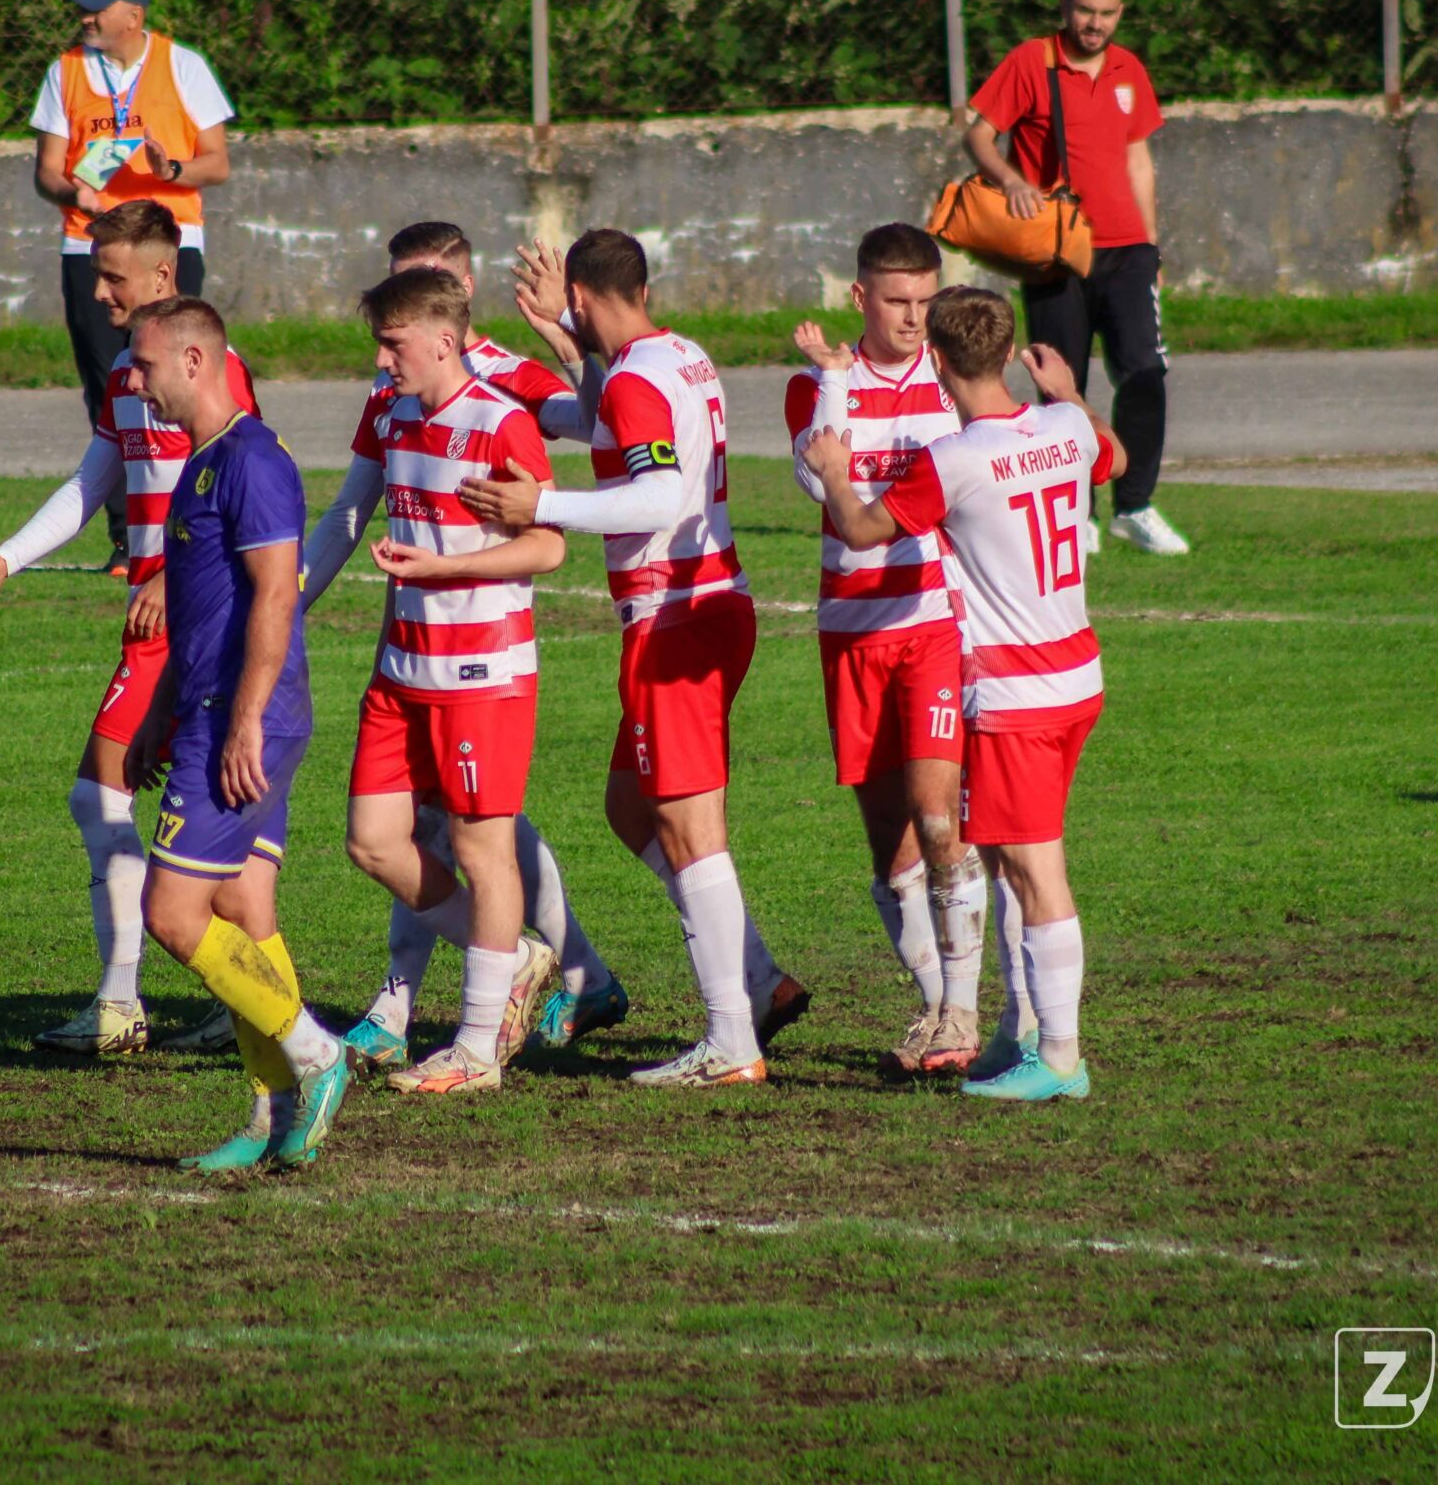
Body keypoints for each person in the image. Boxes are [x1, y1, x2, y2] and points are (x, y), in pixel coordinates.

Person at [461, 230, 804, 1088]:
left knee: (690, 829)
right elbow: (601, 417)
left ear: (581, 294)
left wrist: (541, 503)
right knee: (630, 806)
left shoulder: (638, 377)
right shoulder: (676, 355)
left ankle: (732, 1039)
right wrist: (556, 339)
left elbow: (654, 493)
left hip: (674, 615)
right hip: (714, 603)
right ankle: (758, 978)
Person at [301, 223, 629, 1069]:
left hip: (479, 670)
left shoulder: (503, 408)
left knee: (486, 846)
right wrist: (282, 604)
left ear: (448, 318)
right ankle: (510, 959)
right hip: (401, 668)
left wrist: (567, 337)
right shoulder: (390, 409)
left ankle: (473, 1039)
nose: (381, 361)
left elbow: (550, 538)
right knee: (375, 840)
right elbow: (347, 514)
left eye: (393, 342)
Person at [0, 202, 259, 1059]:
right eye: (96, 275)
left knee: (109, 795)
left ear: (164, 275)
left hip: (192, 619)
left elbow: (246, 478)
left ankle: (129, 1002)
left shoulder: (212, 368)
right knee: (199, 816)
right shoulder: (127, 373)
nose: (99, 292)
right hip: (155, 617)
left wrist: (169, 573)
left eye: (113, 276)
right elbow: (93, 482)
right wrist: (6, 559)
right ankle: (225, 999)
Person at [802, 288, 1123, 1102]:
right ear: (1010, 351)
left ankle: (1060, 1057)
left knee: (1035, 868)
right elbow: (1111, 457)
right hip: (1077, 675)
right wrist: (1069, 392)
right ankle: (1019, 1034)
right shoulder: (1066, 425)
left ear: (937, 360)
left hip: (1018, 693)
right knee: (1010, 859)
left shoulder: (954, 460)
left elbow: (861, 528)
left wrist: (835, 473)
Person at [121, 294, 350, 1167]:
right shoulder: (201, 465)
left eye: (144, 365)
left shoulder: (252, 460)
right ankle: (270, 1111)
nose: (134, 383)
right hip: (214, 713)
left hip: (240, 720)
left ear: (193, 360)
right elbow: (202, 610)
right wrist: (158, 709)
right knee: (245, 910)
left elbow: (277, 594)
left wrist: (243, 718)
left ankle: (315, 1053)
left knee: (173, 914)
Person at [783, 224, 1003, 1076]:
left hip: (932, 626)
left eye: (926, 300)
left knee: (940, 819)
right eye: (897, 300)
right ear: (860, 297)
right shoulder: (815, 388)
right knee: (892, 846)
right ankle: (938, 1006)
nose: (914, 317)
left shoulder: (951, 382)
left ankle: (963, 1015)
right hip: (851, 631)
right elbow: (819, 481)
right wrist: (836, 379)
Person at [962, 0, 1187, 558]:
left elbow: (1138, 159)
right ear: (1066, 9)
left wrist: (1151, 245)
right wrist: (1011, 180)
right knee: (1062, 382)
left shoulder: (1128, 69)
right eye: (1086, 10)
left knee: (1145, 371)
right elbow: (979, 134)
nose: (1095, 23)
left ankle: (1134, 506)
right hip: (1057, 250)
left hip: (1126, 250)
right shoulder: (1031, 62)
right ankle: (1076, 510)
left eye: (1107, 13)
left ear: (1120, 14)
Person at [29, 0, 236, 564]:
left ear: (134, 15)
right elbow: (46, 171)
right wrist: (73, 193)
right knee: (108, 384)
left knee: (177, 375)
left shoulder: (183, 65)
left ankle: (189, 520)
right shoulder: (65, 71)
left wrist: (171, 169)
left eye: (97, 9)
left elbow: (218, 163)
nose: (86, 19)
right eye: (83, 9)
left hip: (170, 243)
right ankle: (126, 535)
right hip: (89, 242)